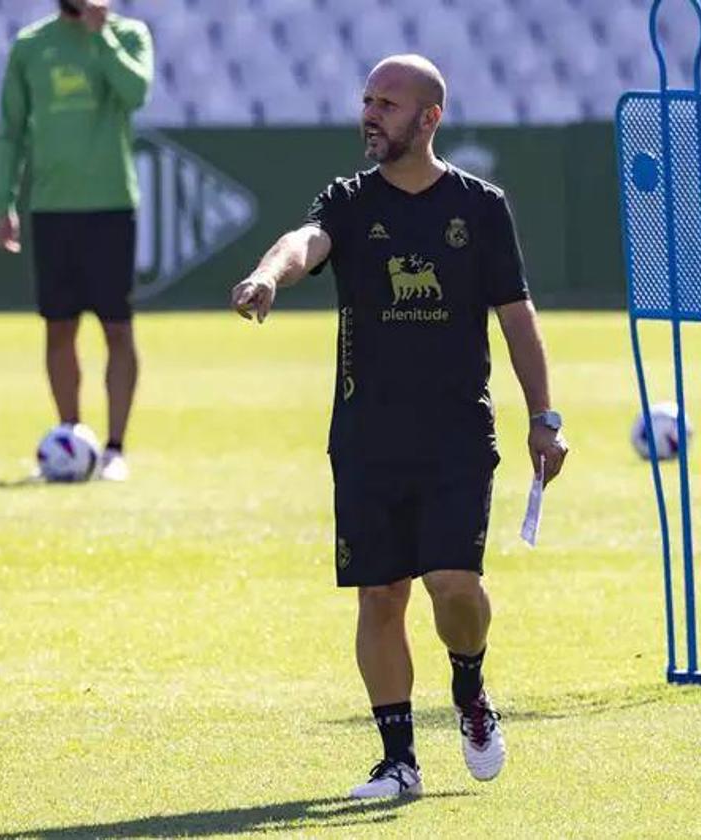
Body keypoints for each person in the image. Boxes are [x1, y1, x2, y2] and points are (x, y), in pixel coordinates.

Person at [230, 55, 569, 799]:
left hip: (455, 433)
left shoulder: (481, 207)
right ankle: (399, 760)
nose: (371, 114)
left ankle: (470, 687)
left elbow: (517, 317)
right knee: (380, 597)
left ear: (429, 118)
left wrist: (544, 417)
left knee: (453, 586)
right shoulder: (349, 201)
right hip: (365, 435)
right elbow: (303, 241)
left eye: (388, 102)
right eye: (367, 100)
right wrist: (267, 276)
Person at [0, 0, 154, 481]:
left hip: (110, 204)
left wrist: (100, 35)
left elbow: (135, 93)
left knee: (117, 327)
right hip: (51, 206)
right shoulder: (31, 46)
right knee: (59, 328)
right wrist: (4, 202)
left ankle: (115, 448)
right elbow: (12, 129)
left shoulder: (127, 35)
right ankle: (69, 437)